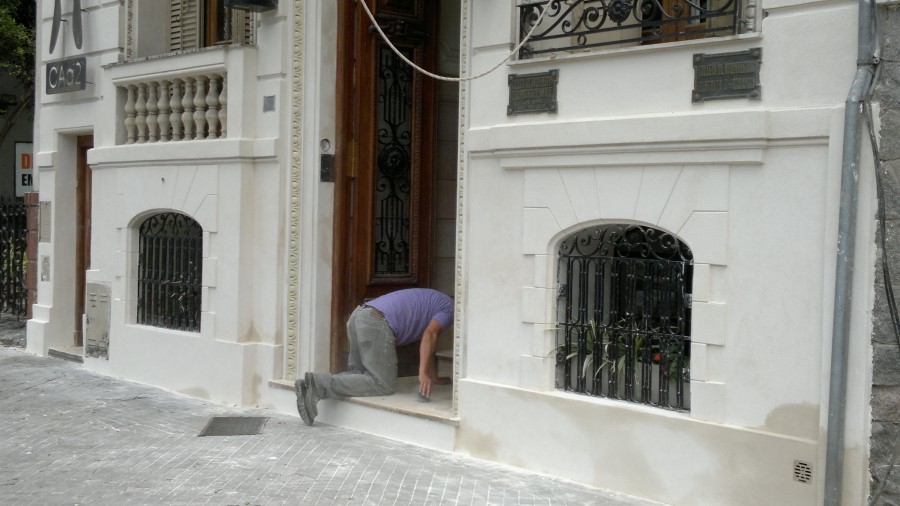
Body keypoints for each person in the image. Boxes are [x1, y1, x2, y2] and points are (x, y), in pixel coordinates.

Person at [295, 288, 454, 426]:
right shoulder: (450, 308)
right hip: (377, 321)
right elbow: (430, 335)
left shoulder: (437, 300)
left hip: (359, 315)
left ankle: (309, 386)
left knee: (360, 373)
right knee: (381, 383)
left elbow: (431, 342)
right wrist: (423, 373)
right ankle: (319, 383)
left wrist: (433, 377)